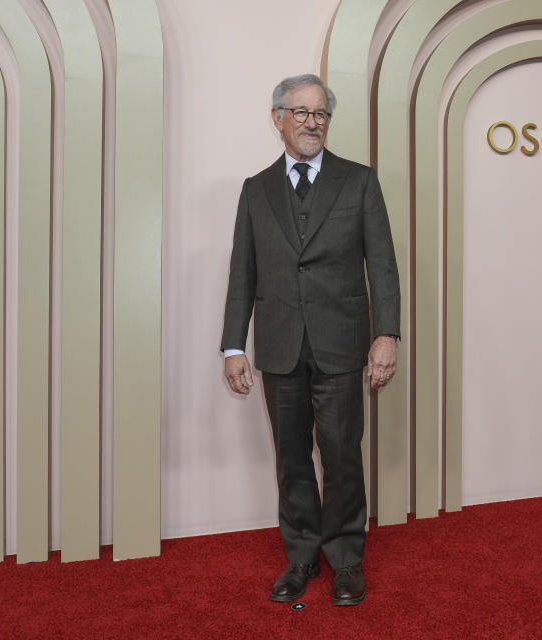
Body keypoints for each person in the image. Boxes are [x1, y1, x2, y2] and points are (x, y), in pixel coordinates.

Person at [221, 74, 401, 605]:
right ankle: (301, 557)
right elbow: (242, 275)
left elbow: (383, 267)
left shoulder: (360, 181)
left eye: (320, 113)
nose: (311, 122)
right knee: (292, 458)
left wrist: (386, 333)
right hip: (279, 347)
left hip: (344, 345)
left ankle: (346, 560)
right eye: (299, 112)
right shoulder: (256, 190)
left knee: (343, 454)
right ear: (278, 118)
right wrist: (234, 346)